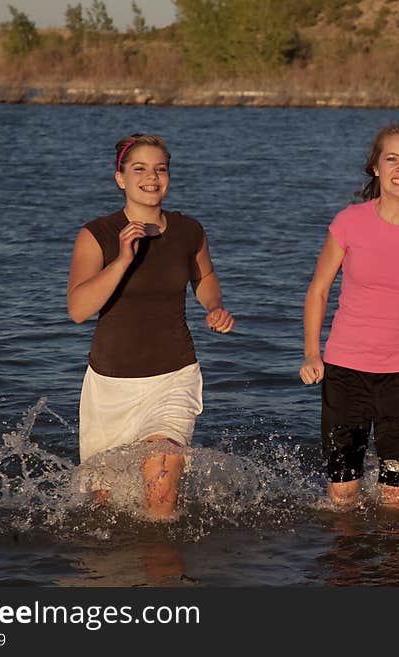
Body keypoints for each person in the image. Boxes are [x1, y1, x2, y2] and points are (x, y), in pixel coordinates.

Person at [67, 133, 234, 519]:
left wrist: (215, 306)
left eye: (160, 169)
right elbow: (78, 309)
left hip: (173, 374)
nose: (152, 177)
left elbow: (204, 276)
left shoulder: (189, 230)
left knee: (162, 479)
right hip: (110, 385)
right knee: (108, 509)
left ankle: (162, 567)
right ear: (120, 178)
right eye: (139, 169)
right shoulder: (98, 235)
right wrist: (123, 260)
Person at [300, 123, 399, 509]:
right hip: (344, 372)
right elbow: (318, 290)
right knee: (343, 493)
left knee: (397, 496)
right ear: (376, 166)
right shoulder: (348, 222)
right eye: (392, 158)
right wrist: (312, 352)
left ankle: (396, 569)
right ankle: (347, 566)